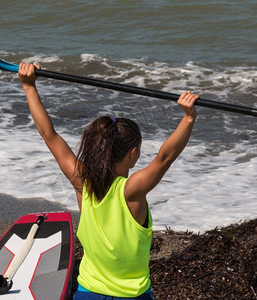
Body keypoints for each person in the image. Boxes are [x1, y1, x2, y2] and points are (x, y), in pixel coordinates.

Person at [18, 62, 199, 300]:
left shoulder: (82, 182)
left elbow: (49, 135)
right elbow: (164, 158)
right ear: (133, 153)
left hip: (88, 294)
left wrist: (29, 86)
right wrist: (188, 117)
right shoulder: (131, 191)